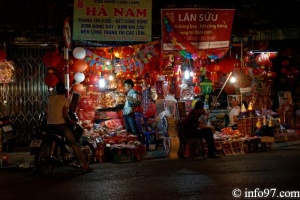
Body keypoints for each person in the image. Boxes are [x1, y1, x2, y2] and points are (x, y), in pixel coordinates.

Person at [47, 82, 93, 172]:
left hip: (49, 124)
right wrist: (70, 121)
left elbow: (47, 110)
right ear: (64, 91)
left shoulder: (50, 98)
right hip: (60, 125)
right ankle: (84, 166)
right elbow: (65, 114)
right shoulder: (65, 100)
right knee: (75, 144)